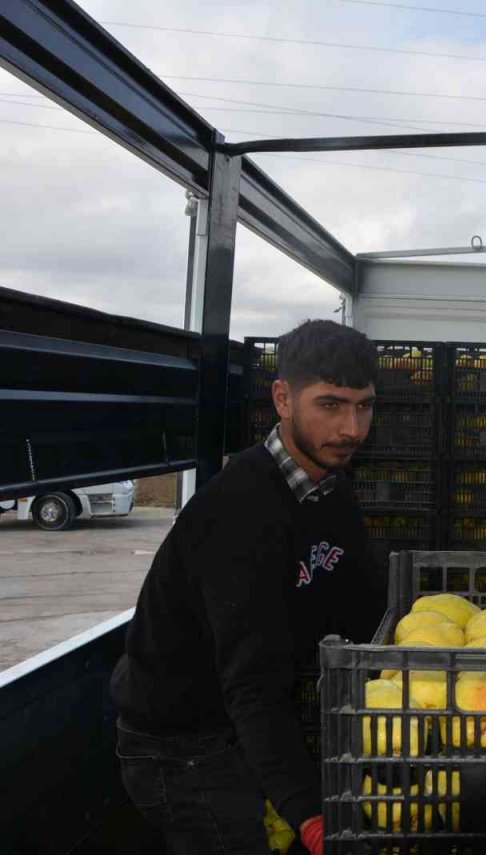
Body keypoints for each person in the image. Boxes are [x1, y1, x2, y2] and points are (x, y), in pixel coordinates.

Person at [110, 320, 385, 854]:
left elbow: (363, 606)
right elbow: (252, 683)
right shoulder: (239, 512)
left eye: (364, 406)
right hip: (182, 745)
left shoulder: (332, 491)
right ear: (283, 398)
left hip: (245, 721)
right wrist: (310, 816)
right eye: (330, 405)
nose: (351, 428)